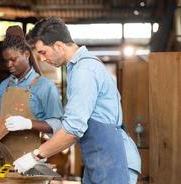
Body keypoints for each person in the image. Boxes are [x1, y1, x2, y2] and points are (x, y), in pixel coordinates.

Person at [13, 17, 141, 184]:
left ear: (58, 45)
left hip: (113, 158)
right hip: (100, 158)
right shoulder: (76, 68)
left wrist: (35, 155)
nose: (42, 59)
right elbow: (69, 122)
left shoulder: (84, 70)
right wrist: (29, 124)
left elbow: (73, 129)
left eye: (43, 52)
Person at [0, 25, 63, 160]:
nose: (9, 65)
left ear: (26, 54)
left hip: (28, 160)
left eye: (13, 59)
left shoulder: (44, 87)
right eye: (6, 61)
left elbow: (58, 125)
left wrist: (28, 123)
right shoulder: (4, 86)